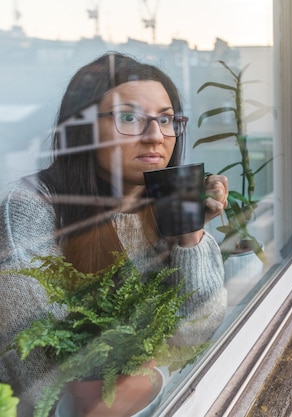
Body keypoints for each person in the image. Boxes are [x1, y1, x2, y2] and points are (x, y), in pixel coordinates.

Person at [0, 52, 228, 415]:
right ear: (84, 128)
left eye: (166, 119)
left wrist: (191, 234)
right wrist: (151, 366)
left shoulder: (169, 198)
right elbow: (41, 361)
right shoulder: (30, 206)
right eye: (129, 118)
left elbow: (199, 331)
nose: (155, 136)